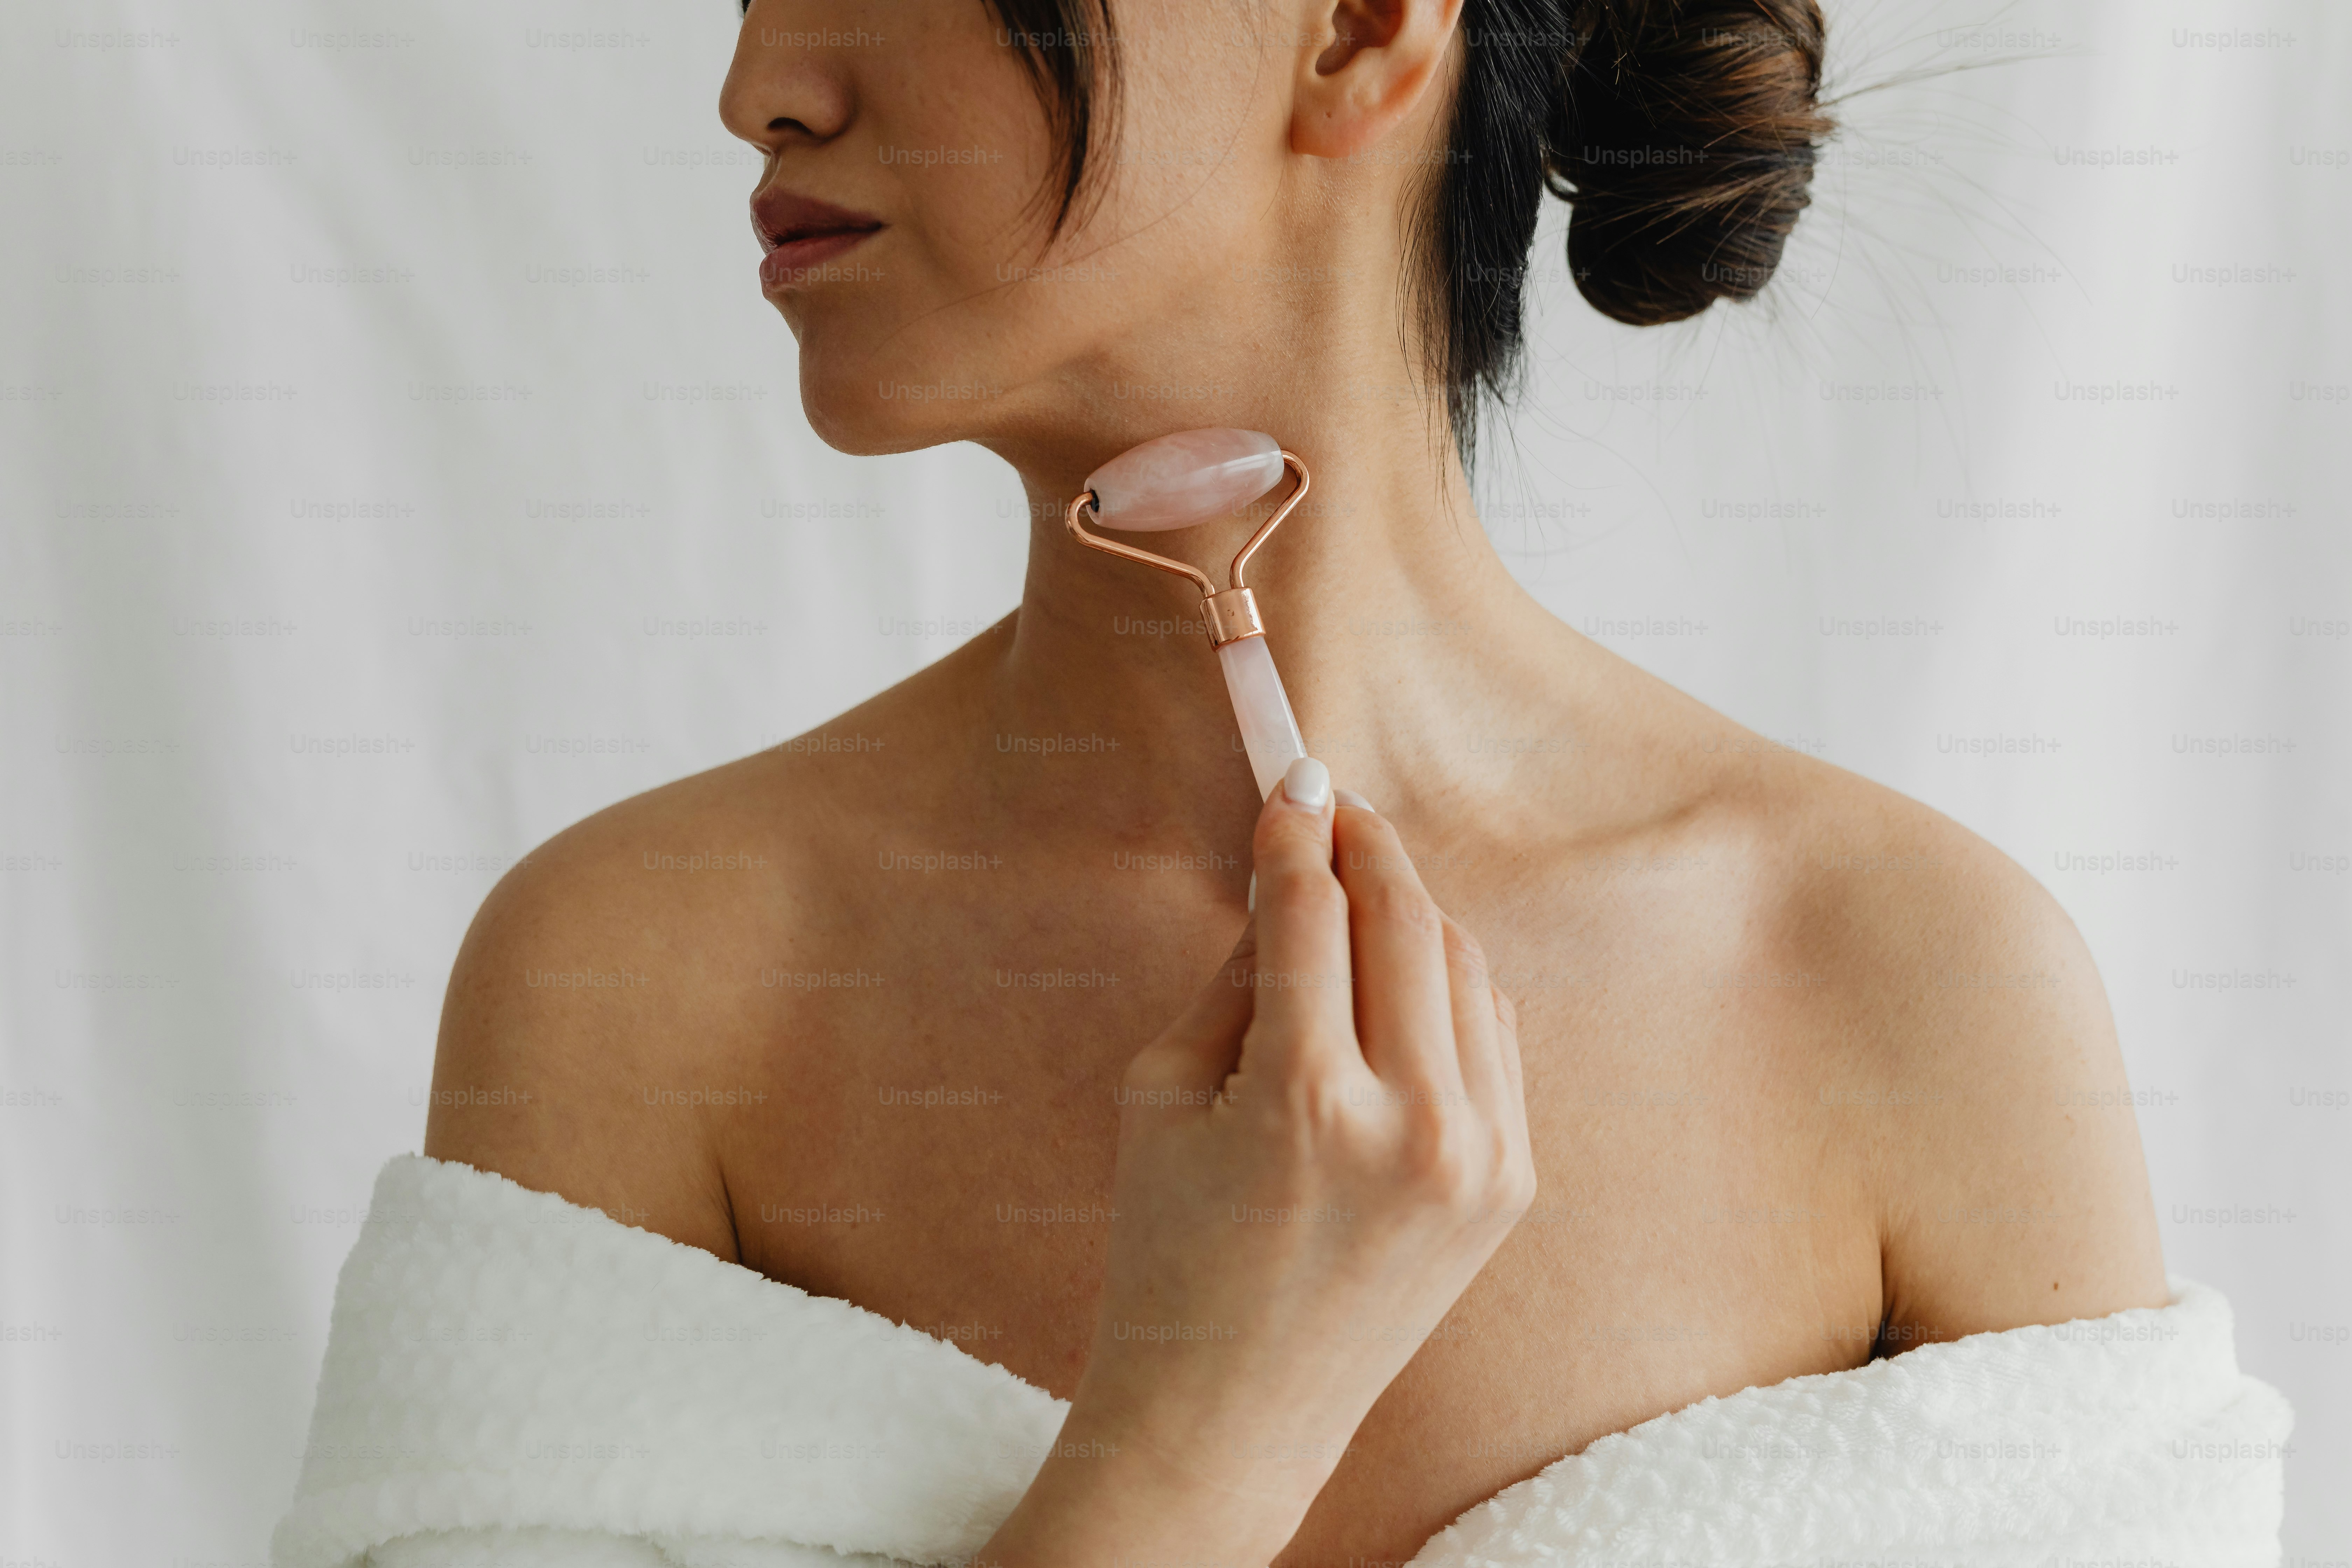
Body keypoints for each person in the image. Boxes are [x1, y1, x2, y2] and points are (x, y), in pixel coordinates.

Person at [418, 2, 2169, 1561]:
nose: (758, 84)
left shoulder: (1912, 976)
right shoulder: (644, 982)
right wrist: (1193, 1438)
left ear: (1354, 29)